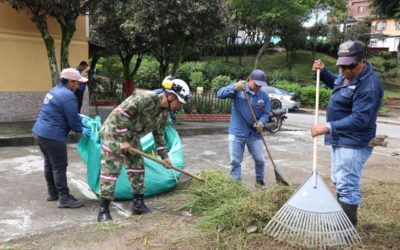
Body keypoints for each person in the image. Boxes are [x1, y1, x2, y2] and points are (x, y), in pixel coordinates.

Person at [97, 76, 192, 222]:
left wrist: (165, 157)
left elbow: (159, 136)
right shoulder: (145, 98)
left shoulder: (164, 114)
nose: (179, 106)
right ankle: (103, 210)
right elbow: (120, 114)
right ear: (171, 96)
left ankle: (138, 204)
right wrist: (122, 140)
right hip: (114, 132)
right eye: (179, 102)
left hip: (132, 136)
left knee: (137, 169)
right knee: (111, 170)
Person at [311, 40, 384, 227]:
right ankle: (340, 220)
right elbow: (335, 82)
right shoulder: (346, 76)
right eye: (341, 66)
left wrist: (328, 127)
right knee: (339, 180)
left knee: (347, 183)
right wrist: (323, 71)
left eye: (349, 67)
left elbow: (361, 119)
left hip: (354, 141)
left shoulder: (369, 85)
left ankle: (346, 229)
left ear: (361, 61)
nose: (345, 71)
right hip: (341, 139)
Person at [32, 68, 91, 208]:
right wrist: (80, 128)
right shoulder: (68, 96)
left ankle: (52, 193)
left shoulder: (54, 90)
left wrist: (79, 121)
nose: (79, 85)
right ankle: (64, 198)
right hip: (53, 135)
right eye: (77, 83)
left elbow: (63, 112)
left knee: (49, 163)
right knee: (59, 166)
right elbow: (72, 119)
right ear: (70, 82)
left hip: (39, 132)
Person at [217, 69, 270, 186]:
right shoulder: (239, 89)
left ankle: (259, 182)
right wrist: (233, 88)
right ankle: (235, 185)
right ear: (250, 79)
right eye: (256, 84)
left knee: (260, 160)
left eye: (261, 85)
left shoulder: (264, 96)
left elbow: (266, 113)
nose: (258, 87)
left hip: (254, 134)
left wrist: (262, 122)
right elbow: (219, 94)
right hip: (237, 132)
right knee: (235, 161)